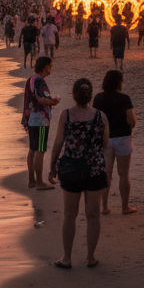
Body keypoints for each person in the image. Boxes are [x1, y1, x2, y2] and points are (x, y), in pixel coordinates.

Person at [49, 78, 110, 268]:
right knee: (93, 215)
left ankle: (67, 258)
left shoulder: (65, 115)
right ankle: (90, 257)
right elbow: (105, 142)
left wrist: (52, 167)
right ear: (90, 95)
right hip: (95, 169)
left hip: (71, 169)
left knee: (69, 215)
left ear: (74, 95)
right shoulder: (101, 116)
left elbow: (59, 143)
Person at [93, 70, 137, 214]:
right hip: (123, 137)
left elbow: (96, 119)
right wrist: (129, 127)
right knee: (123, 174)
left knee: (106, 174)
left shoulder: (99, 98)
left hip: (105, 139)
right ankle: (125, 207)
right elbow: (132, 120)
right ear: (119, 82)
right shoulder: (124, 98)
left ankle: (104, 207)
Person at [23, 56, 60, 188]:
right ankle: (39, 182)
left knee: (33, 149)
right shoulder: (39, 80)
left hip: (32, 118)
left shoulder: (31, 79)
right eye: (50, 65)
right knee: (40, 150)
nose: (51, 68)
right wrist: (53, 101)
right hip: (40, 119)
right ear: (46, 67)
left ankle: (32, 180)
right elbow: (41, 99)